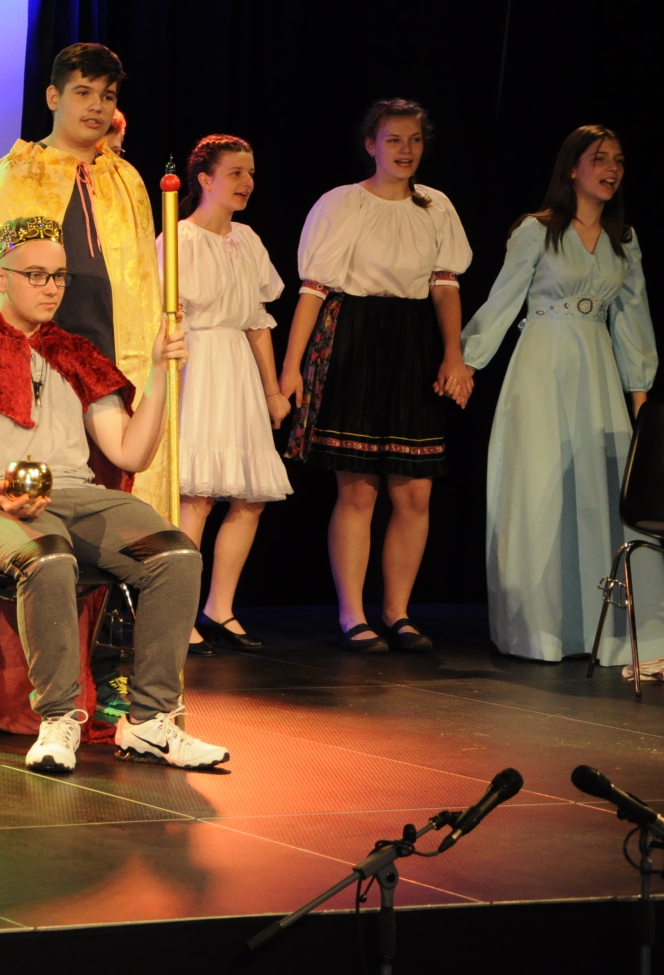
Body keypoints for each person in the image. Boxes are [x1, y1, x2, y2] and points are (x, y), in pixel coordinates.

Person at [0, 215, 225, 774]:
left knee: (175, 556)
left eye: (58, 276)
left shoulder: (76, 354)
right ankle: (58, 718)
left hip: (75, 497)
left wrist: (159, 373)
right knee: (48, 557)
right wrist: (1, 495)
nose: (50, 287)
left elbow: (129, 454)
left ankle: (149, 722)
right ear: (1, 279)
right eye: (35, 275)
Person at [280, 99, 473, 653]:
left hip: (413, 341)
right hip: (355, 336)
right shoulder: (342, 203)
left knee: (414, 492)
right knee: (359, 489)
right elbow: (314, 289)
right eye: (394, 140)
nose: (406, 150)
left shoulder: (436, 206)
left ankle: (398, 611)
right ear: (372, 145)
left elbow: (445, 286)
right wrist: (291, 367)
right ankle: (352, 613)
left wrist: (453, 355)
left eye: (414, 140)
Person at [462, 126, 657, 665]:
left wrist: (639, 397)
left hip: (597, 372)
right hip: (542, 368)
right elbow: (504, 299)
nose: (612, 168)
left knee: (597, 493)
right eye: (600, 158)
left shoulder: (624, 239)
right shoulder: (538, 230)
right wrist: (468, 362)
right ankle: (539, 630)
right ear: (572, 168)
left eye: (619, 160)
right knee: (541, 488)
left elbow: (632, 319)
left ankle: (602, 632)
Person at [0, 44, 165, 520]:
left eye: (107, 96)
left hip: (112, 359)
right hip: (41, 359)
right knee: (42, 497)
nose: (97, 106)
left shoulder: (126, 179)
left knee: (113, 493)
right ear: (54, 97)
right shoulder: (18, 172)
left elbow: (143, 279)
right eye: (84, 92)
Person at [167, 135, 292, 656]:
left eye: (251, 173)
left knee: (249, 496)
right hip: (198, 366)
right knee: (196, 496)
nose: (247, 182)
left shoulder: (248, 239)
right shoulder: (178, 238)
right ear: (205, 180)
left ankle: (220, 607)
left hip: (238, 368)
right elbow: (164, 317)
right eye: (236, 173)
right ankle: (177, 614)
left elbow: (258, 322)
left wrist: (273, 390)